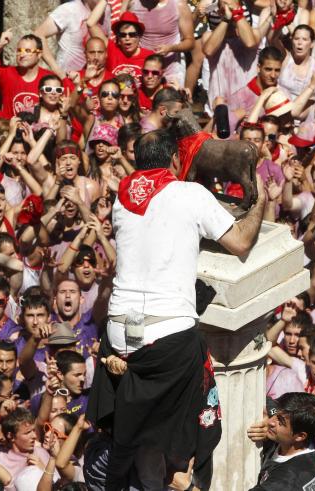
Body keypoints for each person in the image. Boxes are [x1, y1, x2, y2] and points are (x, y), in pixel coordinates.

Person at [87, 128, 266, 489]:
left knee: (141, 426)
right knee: (193, 424)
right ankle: (184, 476)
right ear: (174, 160)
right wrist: (261, 197)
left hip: (122, 330)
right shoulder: (190, 195)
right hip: (168, 335)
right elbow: (242, 242)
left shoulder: (122, 199)